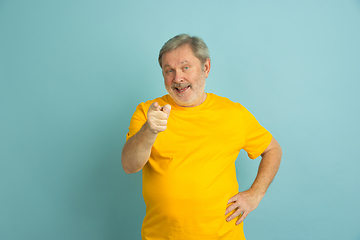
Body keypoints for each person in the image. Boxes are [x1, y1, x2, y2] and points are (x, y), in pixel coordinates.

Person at [121, 34, 282, 240]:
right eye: (169, 70)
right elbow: (129, 165)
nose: (177, 78)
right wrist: (149, 131)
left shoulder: (233, 114)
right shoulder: (148, 112)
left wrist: (255, 194)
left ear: (206, 68)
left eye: (185, 67)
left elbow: (272, 150)